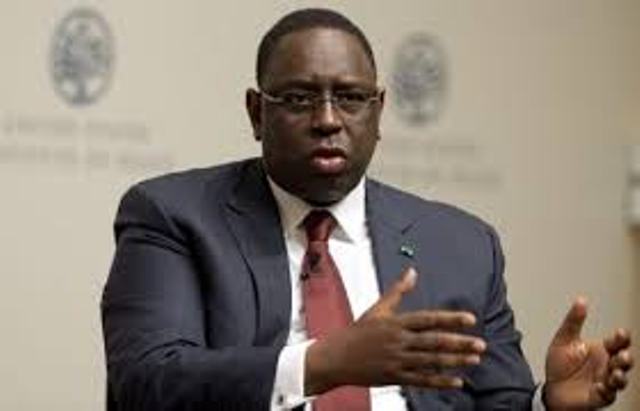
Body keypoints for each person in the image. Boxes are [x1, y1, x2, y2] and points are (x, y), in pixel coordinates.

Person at [101, 8, 633, 411]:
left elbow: (498, 401)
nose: (328, 119)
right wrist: (324, 362)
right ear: (257, 112)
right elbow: (146, 382)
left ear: (378, 112)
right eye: (300, 99)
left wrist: (547, 404)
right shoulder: (175, 216)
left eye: (351, 98)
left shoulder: (462, 245)